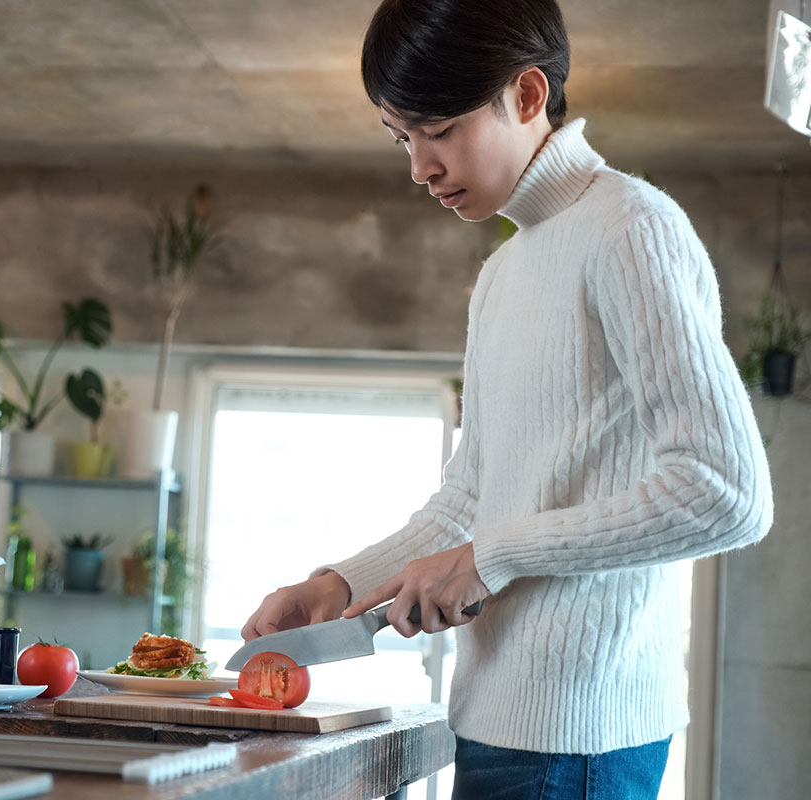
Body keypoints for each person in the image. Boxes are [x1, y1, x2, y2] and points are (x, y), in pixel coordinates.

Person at [239, 1, 774, 798]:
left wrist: (493, 557)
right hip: (492, 721)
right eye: (403, 138)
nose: (419, 166)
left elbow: (728, 494)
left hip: (580, 741)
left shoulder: (632, 229)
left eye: (440, 130)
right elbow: (470, 497)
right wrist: (344, 585)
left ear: (527, 96)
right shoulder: (502, 274)